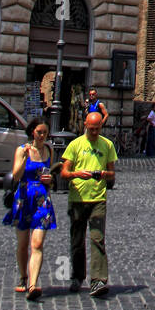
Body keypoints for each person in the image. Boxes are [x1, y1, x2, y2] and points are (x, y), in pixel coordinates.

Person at [60, 110, 117, 298]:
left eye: (97, 129)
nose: (94, 132)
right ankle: (77, 276)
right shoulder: (75, 145)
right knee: (77, 240)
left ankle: (98, 280)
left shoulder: (107, 145)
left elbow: (112, 174)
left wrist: (103, 175)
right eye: (91, 128)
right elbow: (64, 173)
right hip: (77, 199)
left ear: (101, 127)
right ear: (85, 125)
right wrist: (78, 174)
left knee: (97, 238)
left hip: (98, 199)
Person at [3, 117, 56, 300]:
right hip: (24, 198)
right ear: (32, 131)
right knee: (23, 244)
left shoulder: (49, 150)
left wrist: (51, 180)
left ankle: (33, 285)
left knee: (37, 244)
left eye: (45, 133)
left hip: (42, 199)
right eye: (39, 132)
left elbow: (50, 174)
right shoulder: (22, 150)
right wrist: (24, 159)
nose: (42, 136)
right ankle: (23, 277)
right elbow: (16, 176)